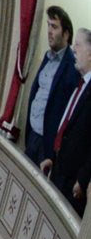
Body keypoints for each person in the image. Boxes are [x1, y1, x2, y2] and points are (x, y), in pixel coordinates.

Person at [40, 26, 91, 213]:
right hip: (59, 170)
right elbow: (66, 127)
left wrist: (83, 178)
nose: (74, 49)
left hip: (73, 182)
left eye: (78, 45)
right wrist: (53, 157)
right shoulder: (80, 85)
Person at [24, 6, 78, 164]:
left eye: (54, 27)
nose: (49, 31)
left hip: (47, 144)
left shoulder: (72, 67)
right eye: (48, 25)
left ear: (66, 34)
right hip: (32, 134)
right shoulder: (47, 58)